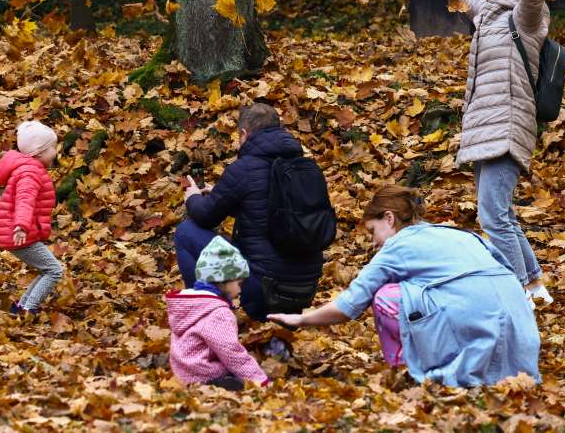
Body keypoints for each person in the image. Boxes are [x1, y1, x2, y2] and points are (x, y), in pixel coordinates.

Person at [268, 185, 540, 387]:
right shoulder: (460, 234)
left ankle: (406, 370)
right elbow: (508, 273)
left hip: (479, 331)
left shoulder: (397, 246)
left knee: (386, 296)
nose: (373, 243)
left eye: (373, 231)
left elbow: (348, 306)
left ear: (389, 218)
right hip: (522, 338)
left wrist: (301, 319)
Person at [427, 0, 561, 304]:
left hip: (507, 123)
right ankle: (534, 288)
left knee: (492, 216)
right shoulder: (488, 17)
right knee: (500, 214)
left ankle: (515, 291)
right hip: (486, 125)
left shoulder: (526, 18)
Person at [174, 103, 323, 321]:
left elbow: (206, 216)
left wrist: (193, 197)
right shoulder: (305, 167)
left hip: (263, 289)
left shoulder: (244, 168)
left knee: (186, 232)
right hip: (305, 290)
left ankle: (207, 316)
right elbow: (269, 212)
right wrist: (223, 194)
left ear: (244, 134)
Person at [166, 237, 269, 390]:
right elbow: (231, 352)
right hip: (203, 374)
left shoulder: (192, 303)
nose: (240, 290)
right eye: (238, 283)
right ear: (223, 280)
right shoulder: (217, 312)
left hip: (183, 370)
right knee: (238, 381)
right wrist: (259, 380)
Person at [0, 120, 64, 314]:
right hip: (21, 234)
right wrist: (22, 226)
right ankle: (28, 309)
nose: (55, 152)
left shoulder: (28, 169)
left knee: (48, 270)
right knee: (54, 271)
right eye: (52, 148)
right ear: (39, 153)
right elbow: (25, 200)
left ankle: (21, 307)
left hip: (22, 233)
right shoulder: (30, 173)